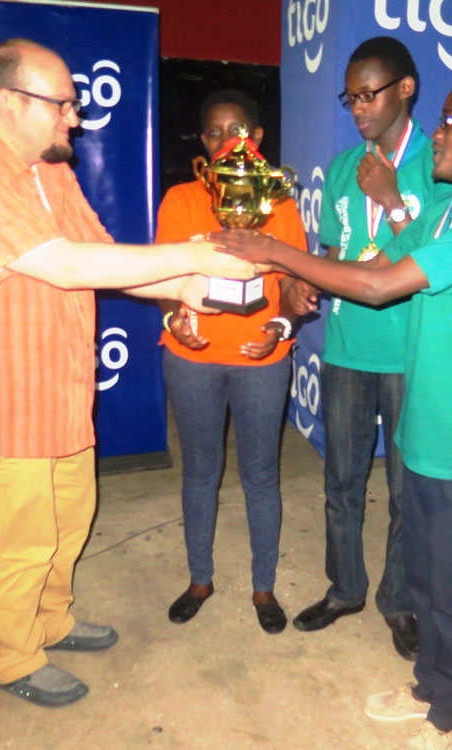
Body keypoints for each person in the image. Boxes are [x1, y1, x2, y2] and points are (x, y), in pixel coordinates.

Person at [0, 38, 256, 709]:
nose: (76, 117)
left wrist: (183, 285)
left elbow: (98, 252)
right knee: (18, 537)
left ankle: (52, 620)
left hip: (58, 390)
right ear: (10, 101)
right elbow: (63, 265)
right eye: (63, 104)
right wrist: (198, 253)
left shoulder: (47, 168)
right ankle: (11, 657)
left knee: (70, 516)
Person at [213, 72, 452, 749]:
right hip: (426, 426)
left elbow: (382, 283)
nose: (440, 132)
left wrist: (273, 251)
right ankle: (426, 687)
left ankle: (446, 715)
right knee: (423, 574)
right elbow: (382, 250)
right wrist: (364, 223)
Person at [291, 37, 441, 662]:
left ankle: (399, 600)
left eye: (368, 93)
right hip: (349, 348)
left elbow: (431, 253)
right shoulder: (347, 161)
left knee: (408, 490)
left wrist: (391, 198)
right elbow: (334, 251)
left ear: (404, 89)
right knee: (341, 479)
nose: (357, 107)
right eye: (350, 96)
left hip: (409, 353)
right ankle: (345, 587)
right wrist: (306, 277)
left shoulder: (441, 162)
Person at [156, 90, 311, 634]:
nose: (228, 141)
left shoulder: (280, 204)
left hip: (262, 360)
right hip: (190, 358)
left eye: (238, 130)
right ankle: (201, 579)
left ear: (258, 138)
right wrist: (173, 317)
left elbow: (296, 283)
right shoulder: (179, 199)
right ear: (203, 143)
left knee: (260, 477)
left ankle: (263, 587)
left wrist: (283, 326)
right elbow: (163, 279)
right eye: (215, 133)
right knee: (200, 473)